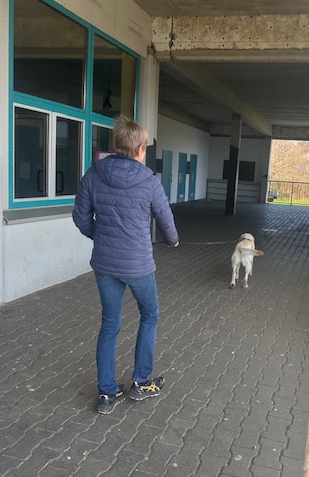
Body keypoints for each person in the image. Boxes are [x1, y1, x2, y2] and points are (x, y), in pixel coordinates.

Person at [73, 115, 179, 414]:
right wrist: (172, 240)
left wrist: (101, 236)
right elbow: (165, 217)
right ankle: (141, 382)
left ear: (117, 145)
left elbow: (81, 218)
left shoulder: (93, 174)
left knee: (109, 324)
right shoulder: (149, 181)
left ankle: (107, 394)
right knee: (150, 314)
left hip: (105, 263)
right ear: (140, 149)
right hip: (138, 265)